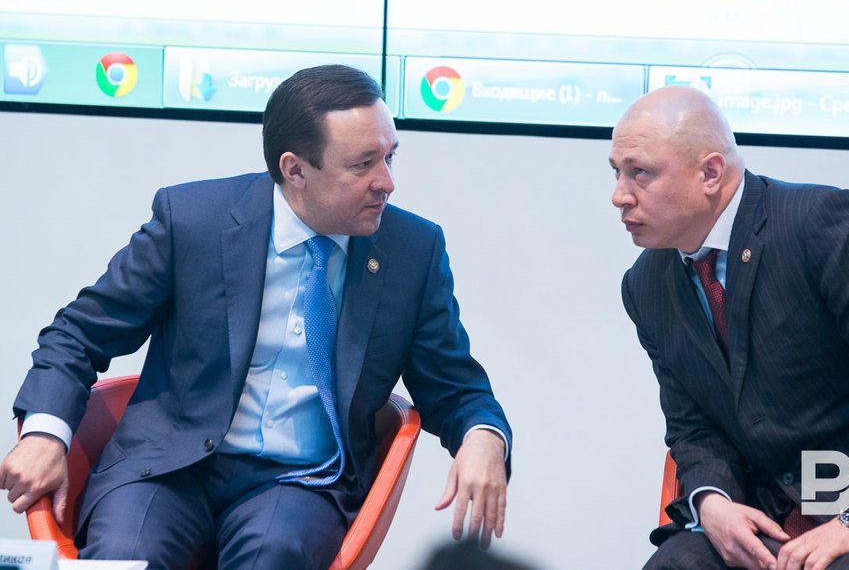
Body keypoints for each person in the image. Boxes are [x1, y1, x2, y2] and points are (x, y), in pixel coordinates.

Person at [0, 64, 512, 569]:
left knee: (273, 556)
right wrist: (45, 433)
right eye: (363, 165)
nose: (387, 183)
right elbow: (79, 333)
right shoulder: (194, 221)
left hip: (300, 482)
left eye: (390, 157)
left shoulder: (411, 250)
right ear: (295, 170)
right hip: (168, 467)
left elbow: (454, 389)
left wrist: (484, 438)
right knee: (127, 555)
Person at [611, 86, 849, 569]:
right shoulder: (646, 284)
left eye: (640, 173)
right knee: (676, 563)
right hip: (772, 513)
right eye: (617, 173)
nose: (619, 195)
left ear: (710, 173)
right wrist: (714, 503)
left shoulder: (825, 224)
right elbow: (692, 425)